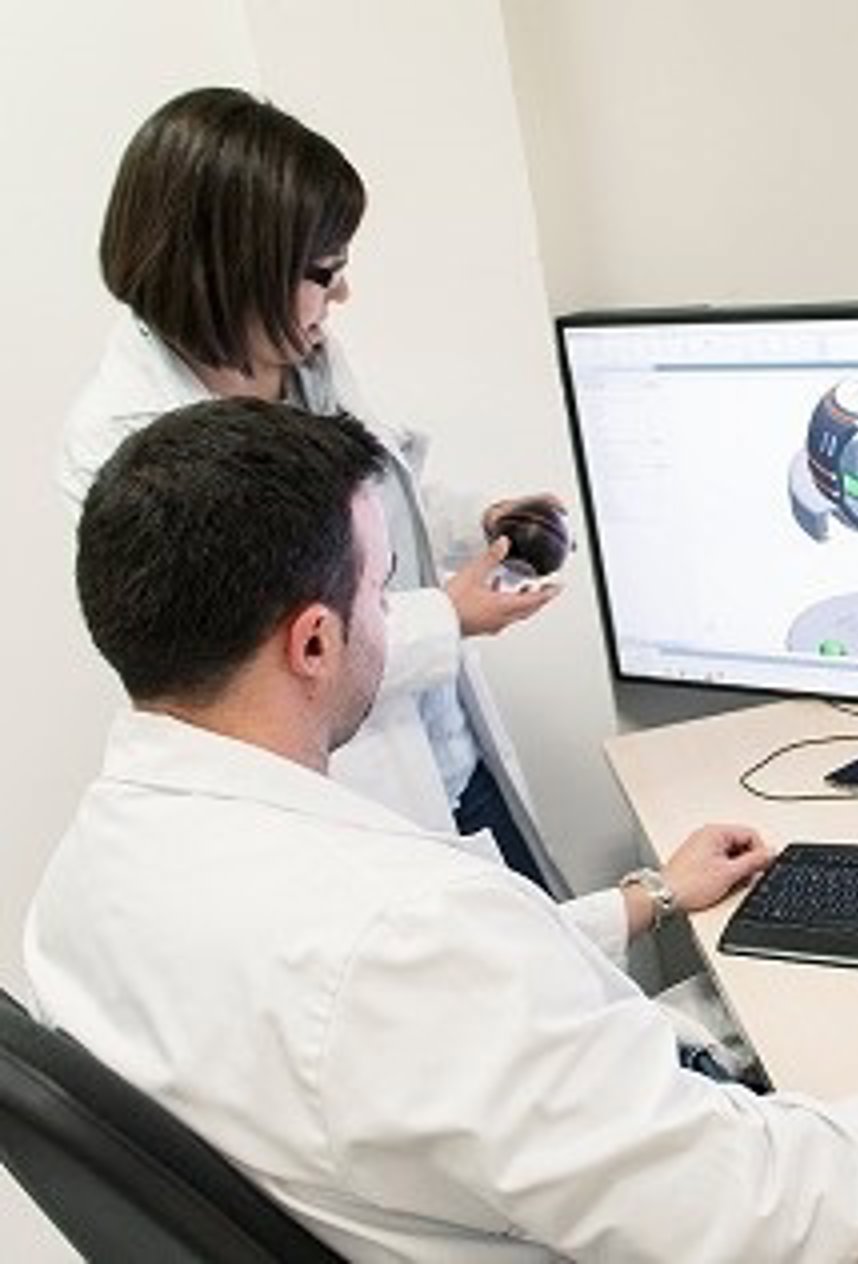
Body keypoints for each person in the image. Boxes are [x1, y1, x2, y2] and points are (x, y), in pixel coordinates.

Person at [27, 398, 858, 1260]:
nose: (399, 613)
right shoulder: (408, 939)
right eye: (382, 589)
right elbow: (758, 1213)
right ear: (315, 642)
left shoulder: (90, 874)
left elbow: (383, 1017)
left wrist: (646, 899)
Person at [57, 84, 664, 967]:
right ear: (234, 270)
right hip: (355, 782)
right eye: (321, 269)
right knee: (484, 979)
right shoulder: (135, 446)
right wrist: (450, 617)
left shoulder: (295, 356)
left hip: (447, 747)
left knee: (544, 961)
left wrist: (475, 522)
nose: (342, 290)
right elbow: (270, 653)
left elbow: (379, 490)